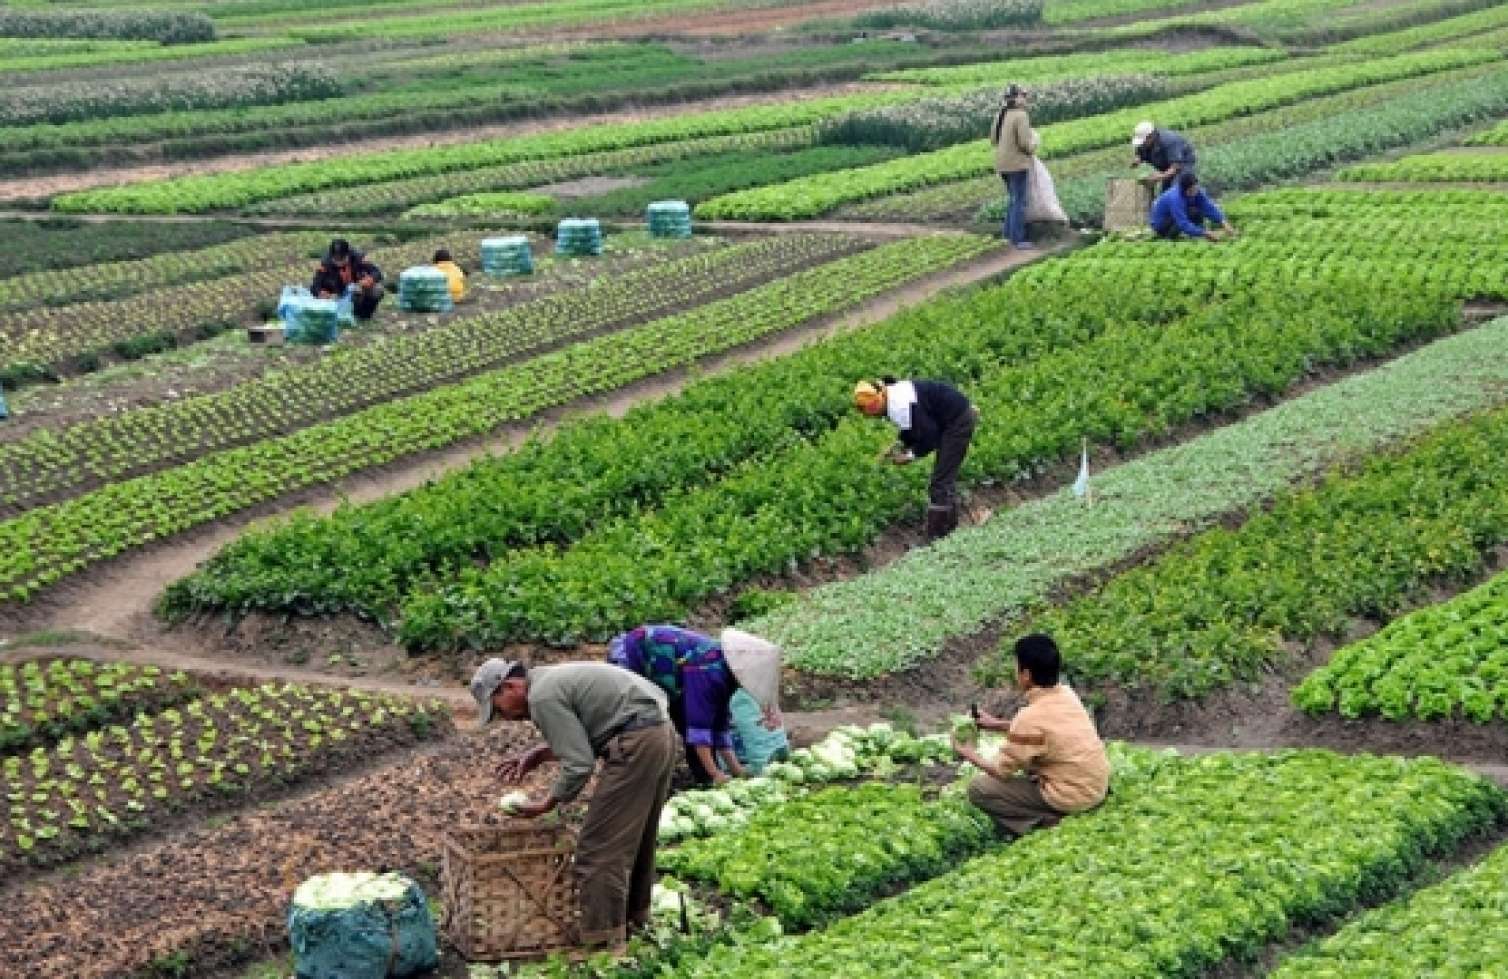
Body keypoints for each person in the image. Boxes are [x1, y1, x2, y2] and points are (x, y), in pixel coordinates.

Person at [473, 658, 676, 950]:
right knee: (638, 840)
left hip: (637, 742)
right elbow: (594, 726)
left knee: (598, 850)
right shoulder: (549, 678)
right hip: (658, 733)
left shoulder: (541, 697)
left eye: (497, 707)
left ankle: (604, 945)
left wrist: (548, 803)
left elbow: (579, 764)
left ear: (509, 686)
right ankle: (635, 922)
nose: (503, 717)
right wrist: (542, 754)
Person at [953, 634, 1110, 838]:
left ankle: (1044, 821)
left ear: (1026, 675)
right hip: (1095, 788)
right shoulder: (1067, 695)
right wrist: (996, 725)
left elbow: (1000, 771)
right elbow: (1046, 732)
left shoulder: (1028, 718)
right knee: (1030, 765)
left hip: (1071, 798)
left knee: (979, 789)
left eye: (1016, 666)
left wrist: (966, 752)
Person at [606, 625, 784, 785]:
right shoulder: (709, 673)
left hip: (672, 673)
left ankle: (704, 775)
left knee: (701, 723)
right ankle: (635, 777)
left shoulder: (726, 675)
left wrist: (737, 770)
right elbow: (698, 725)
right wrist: (715, 774)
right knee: (645, 725)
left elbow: (720, 725)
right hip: (637, 657)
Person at [854, 376, 979, 541]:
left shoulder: (899, 405)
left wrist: (910, 456)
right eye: (866, 411)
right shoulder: (893, 395)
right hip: (947, 419)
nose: (872, 414)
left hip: (957, 421)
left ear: (880, 398)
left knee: (940, 481)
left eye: (872, 408)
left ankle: (936, 536)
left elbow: (930, 436)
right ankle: (948, 529)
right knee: (944, 479)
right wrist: (897, 445)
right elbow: (912, 426)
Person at [989, 84, 1036, 250]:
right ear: (1016, 98)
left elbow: (993, 140)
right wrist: (1034, 144)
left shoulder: (1002, 114)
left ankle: (1007, 235)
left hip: (1002, 164)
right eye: (1023, 96)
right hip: (1017, 164)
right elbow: (1024, 143)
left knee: (1013, 200)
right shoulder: (1021, 115)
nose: (1025, 98)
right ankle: (1018, 239)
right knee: (1019, 202)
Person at [1150, 172, 1237, 242]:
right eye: (1192, 190)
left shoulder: (1197, 191)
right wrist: (1205, 233)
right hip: (1162, 225)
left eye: (1196, 188)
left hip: (1176, 218)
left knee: (1197, 211)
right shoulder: (1175, 198)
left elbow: (1209, 207)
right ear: (1184, 189)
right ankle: (1173, 237)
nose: (1195, 191)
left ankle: (1197, 233)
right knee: (1190, 214)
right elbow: (1182, 223)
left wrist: (1224, 223)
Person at [311, 238, 384, 320]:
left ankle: (363, 315)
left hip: (357, 290)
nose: (339, 263)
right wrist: (326, 295)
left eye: (342, 259)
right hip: (336, 295)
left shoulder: (359, 258)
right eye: (336, 259)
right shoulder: (325, 264)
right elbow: (315, 286)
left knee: (377, 290)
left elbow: (377, 273)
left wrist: (365, 282)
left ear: (348, 254)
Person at [1130, 121, 1197, 194]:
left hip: (1182, 165)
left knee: (1176, 190)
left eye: (1143, 142)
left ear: (1151, 136)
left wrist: (1159, 177)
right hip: (1167, 167)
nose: (1142, 145)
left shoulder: (1170, 141)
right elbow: (1140, 153)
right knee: (1165, 195)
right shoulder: (1145, 143)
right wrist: (1137, 160)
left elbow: (1176, 166)